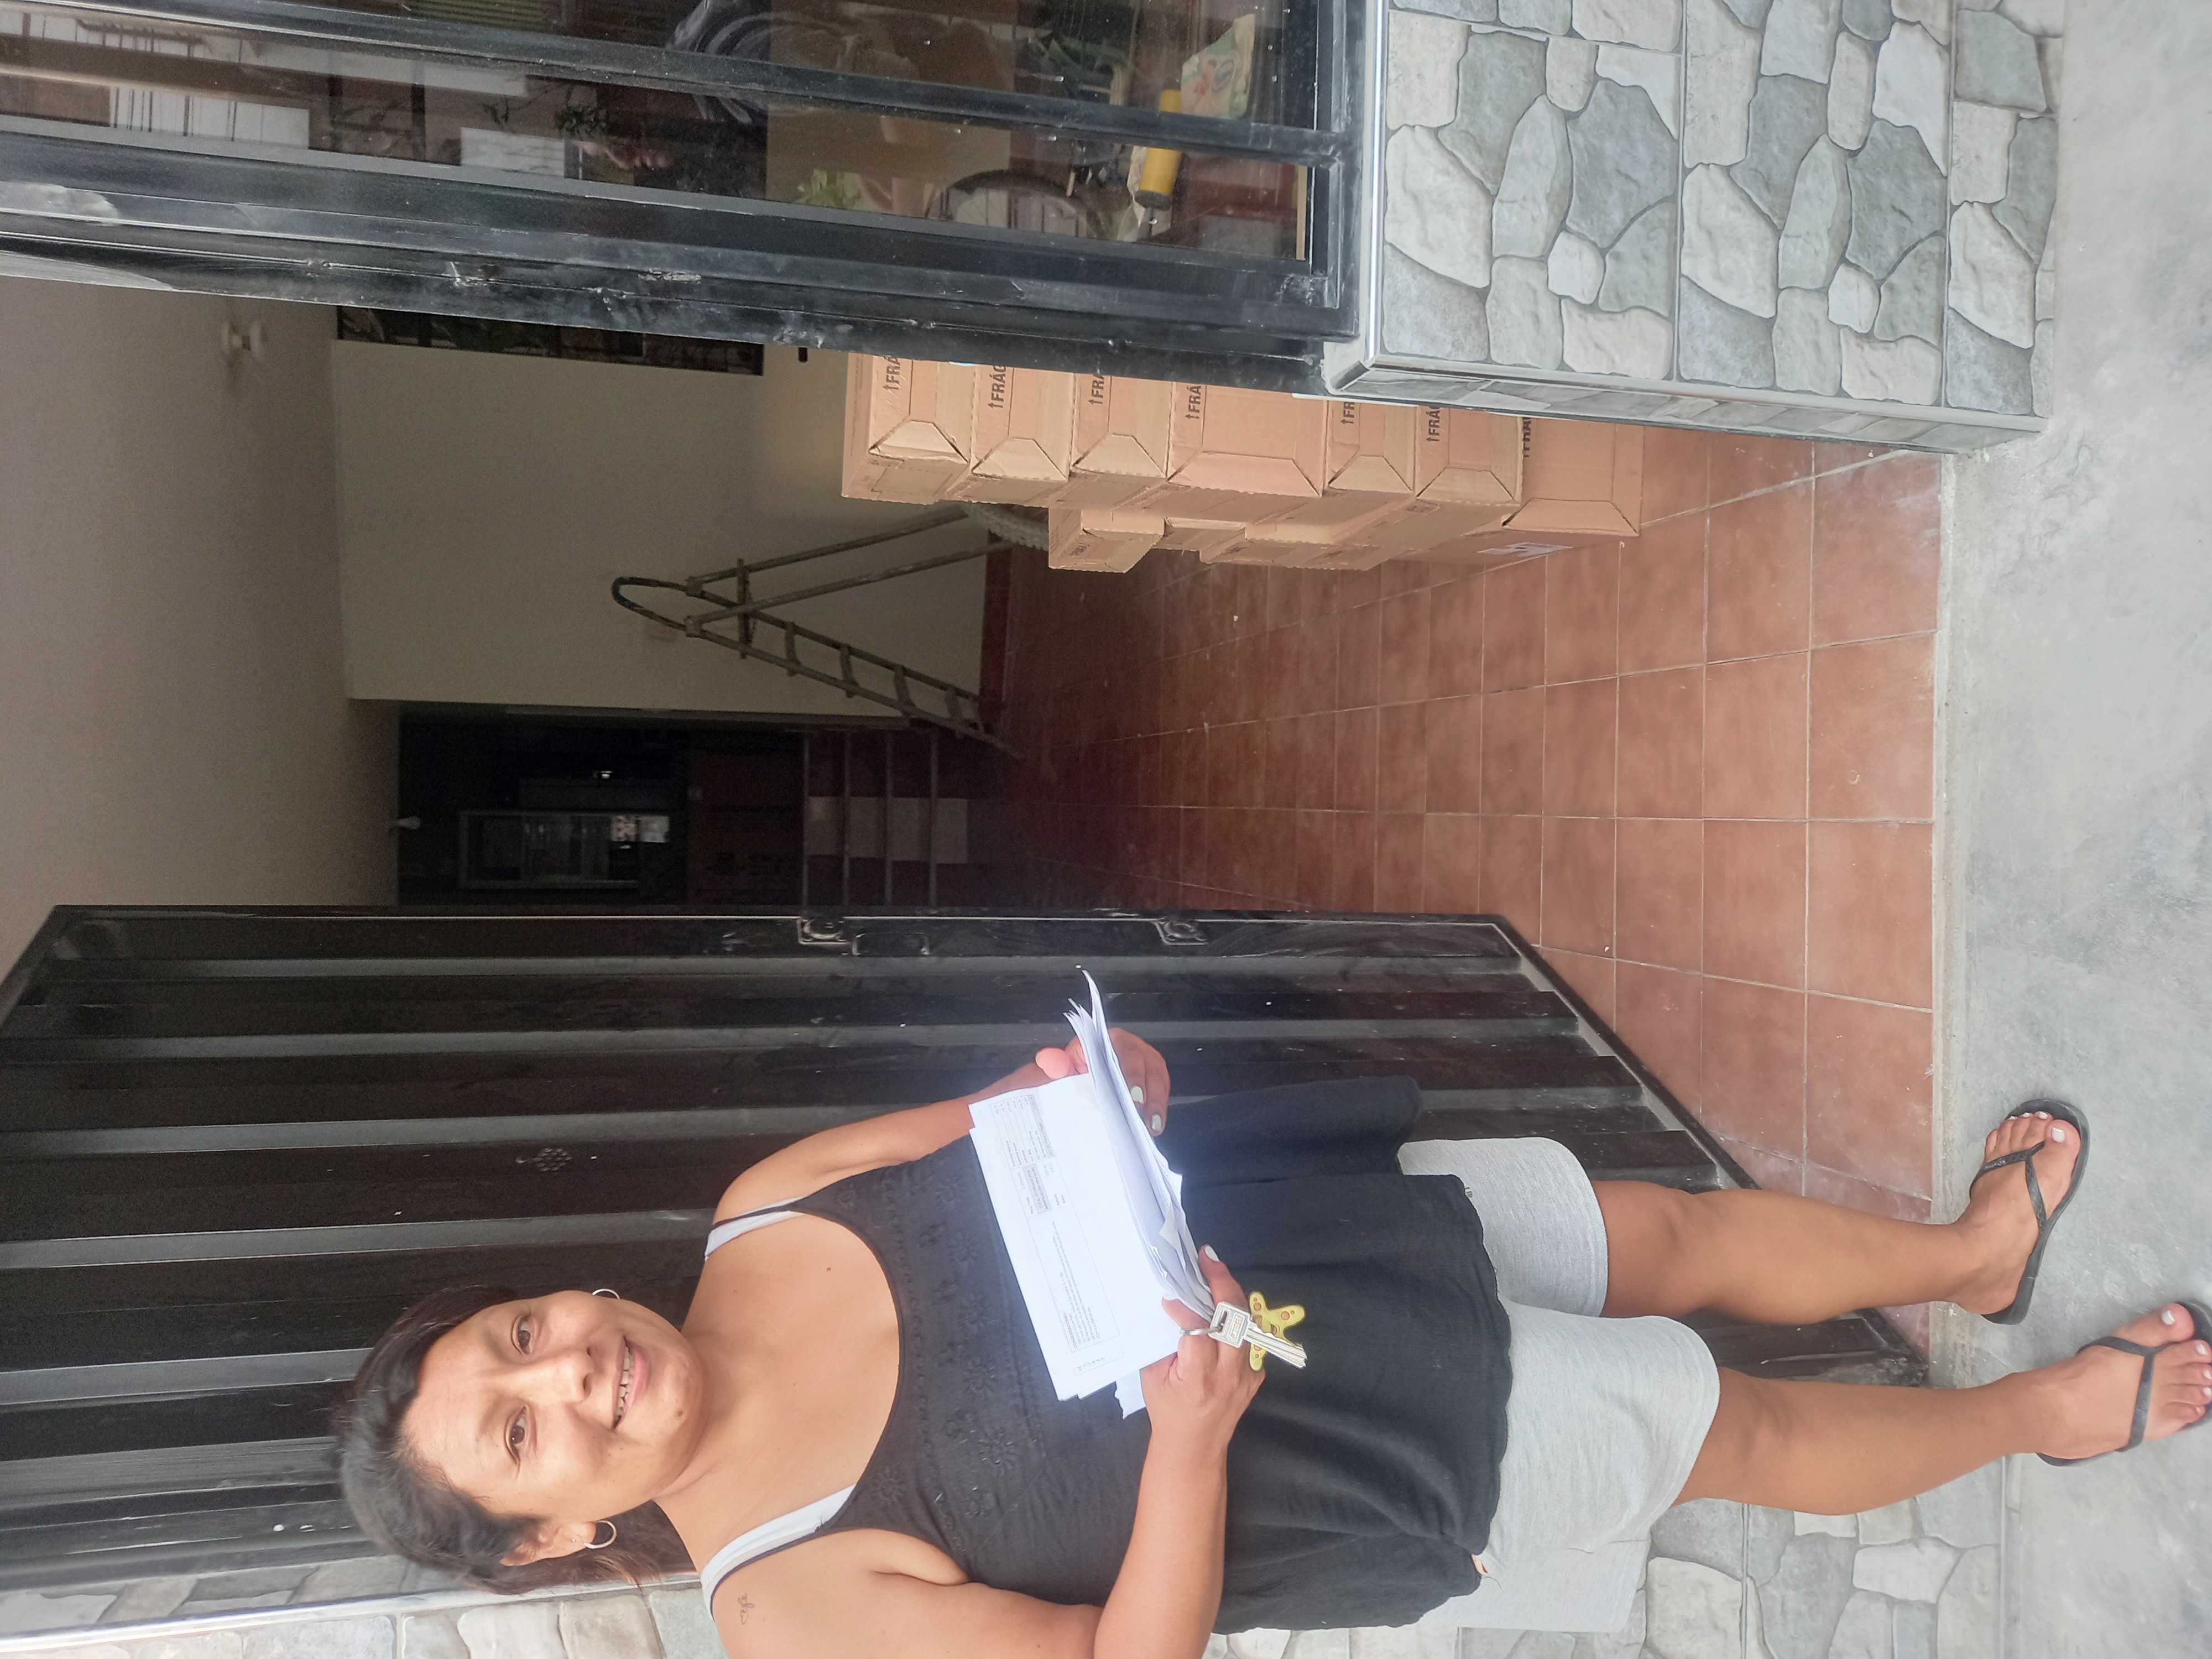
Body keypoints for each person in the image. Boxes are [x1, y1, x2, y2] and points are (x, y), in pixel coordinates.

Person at [336, 1029, 2209, 1654]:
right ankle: (2042, 1417)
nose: (568, 1371)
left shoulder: (765, 1209)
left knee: (1669, 1233)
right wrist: (1189, 1444)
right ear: (556, 1538)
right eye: (522, 1433)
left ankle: (1971, 1259)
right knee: (1738, 1434)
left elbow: (1025, 1117)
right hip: (1336, 1450)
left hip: (1330, 1239)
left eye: (523, 1331)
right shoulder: (782, 1599)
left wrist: (1110, 1085)